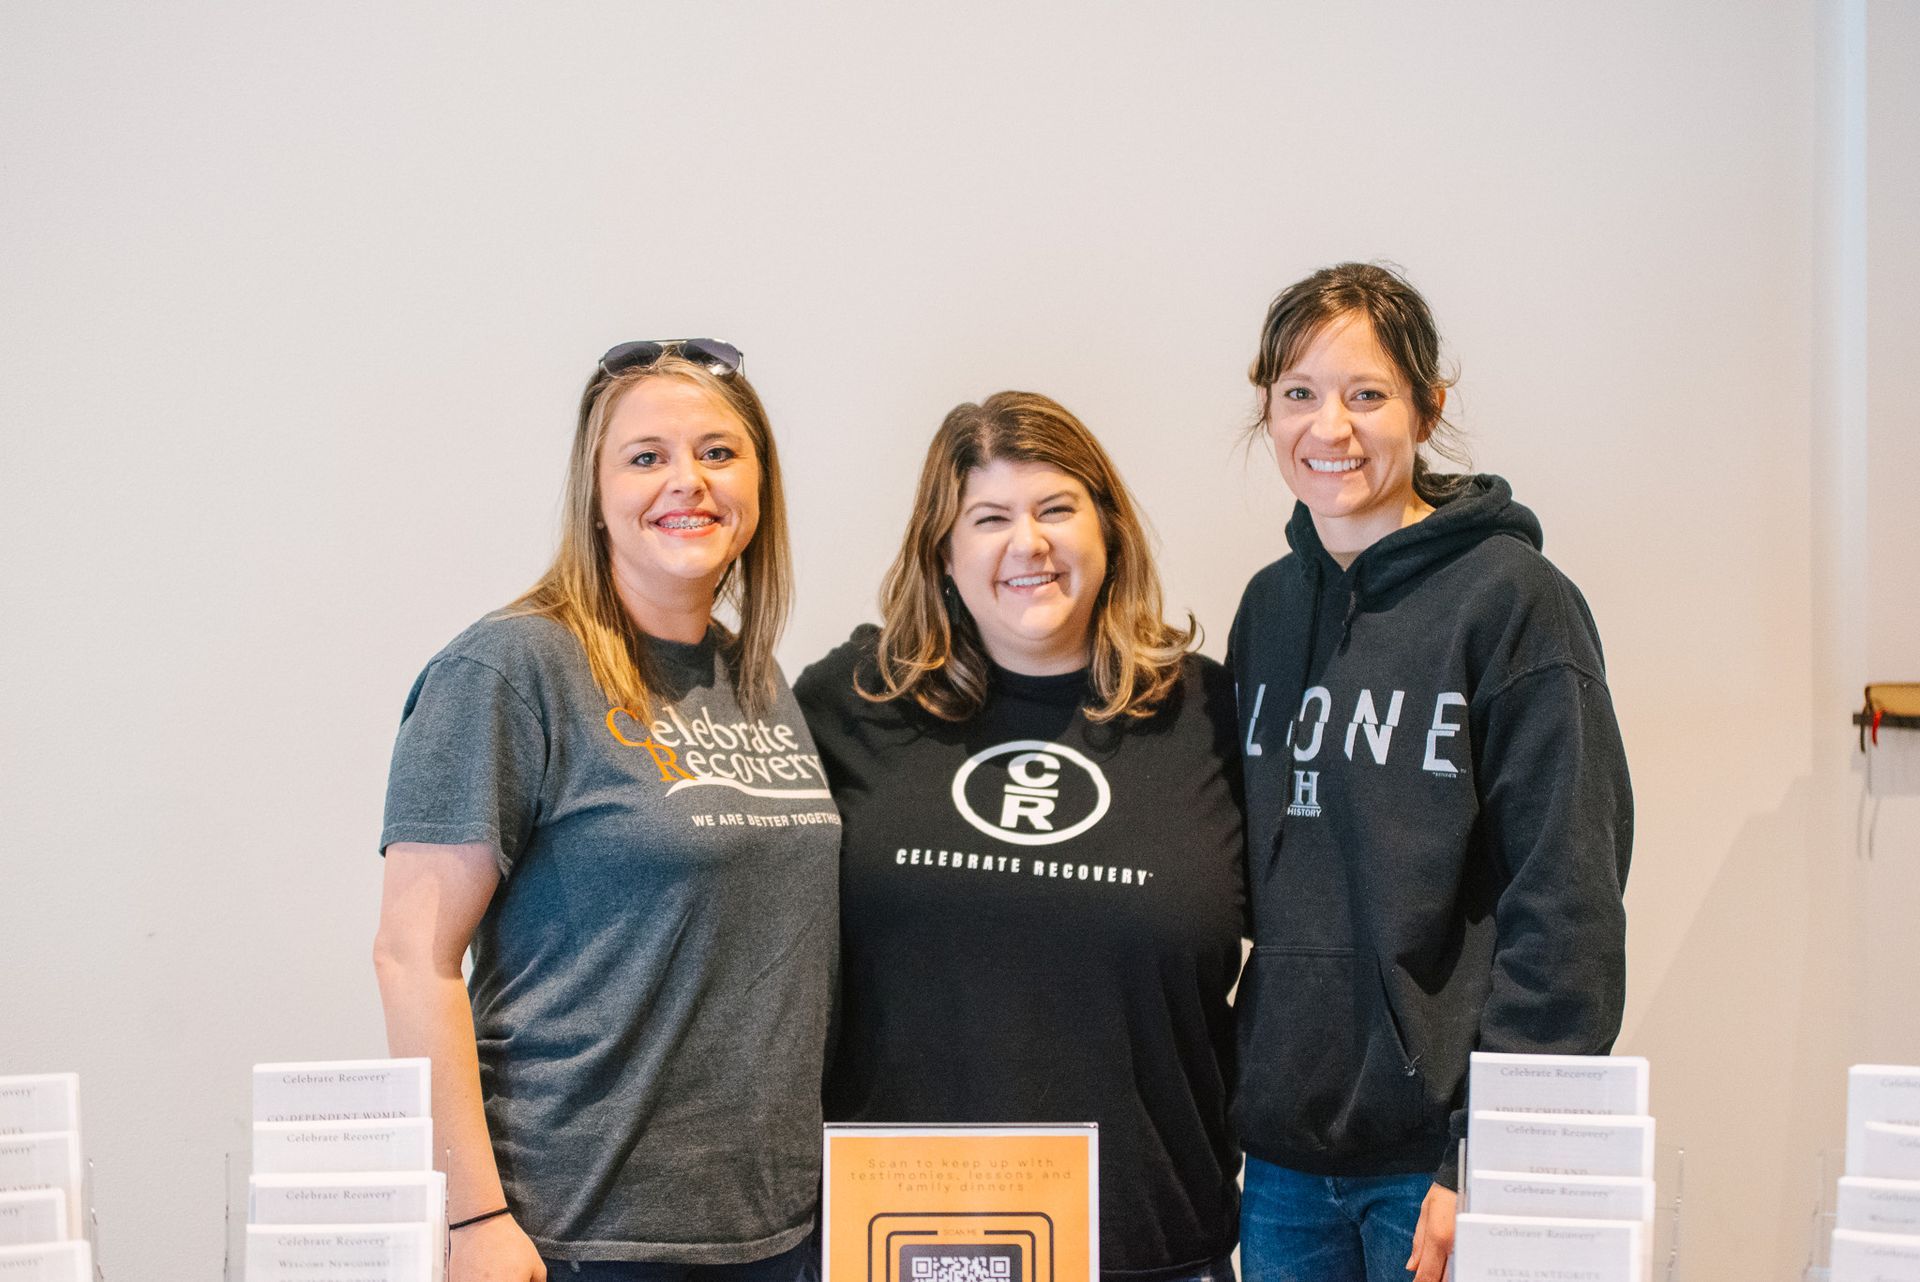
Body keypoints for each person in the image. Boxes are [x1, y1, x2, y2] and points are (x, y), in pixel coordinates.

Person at [371, 340, 839, 1282]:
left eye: (718, 452)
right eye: (645, 456)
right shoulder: (509, 670)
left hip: (775, 1230)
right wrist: (473, 1221)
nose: (687, 482)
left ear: (759, 483)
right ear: (594, 492)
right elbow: (411, 958)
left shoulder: (757, 678)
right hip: (579, 1234)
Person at [1228, 263, 1633, 1282]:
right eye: (1299, 394)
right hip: (1281, 1165)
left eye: (1367, 394)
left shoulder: (1515, 603)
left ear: (1427, 405)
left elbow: (1566, 901)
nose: (1332, 427)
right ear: (1267, 407)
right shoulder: (1269, 610)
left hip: (1438, 1163)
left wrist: (1493, 1153)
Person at [795, 391, 1246, 1282]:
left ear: (1108, 531)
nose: (1027, 544)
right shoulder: (849, 705)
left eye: (1056, 509)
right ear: (945, 553)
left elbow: (1316, 951)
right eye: (990, 517)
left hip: (1152, 1247)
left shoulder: (1209, 714)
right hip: (899, 1245)